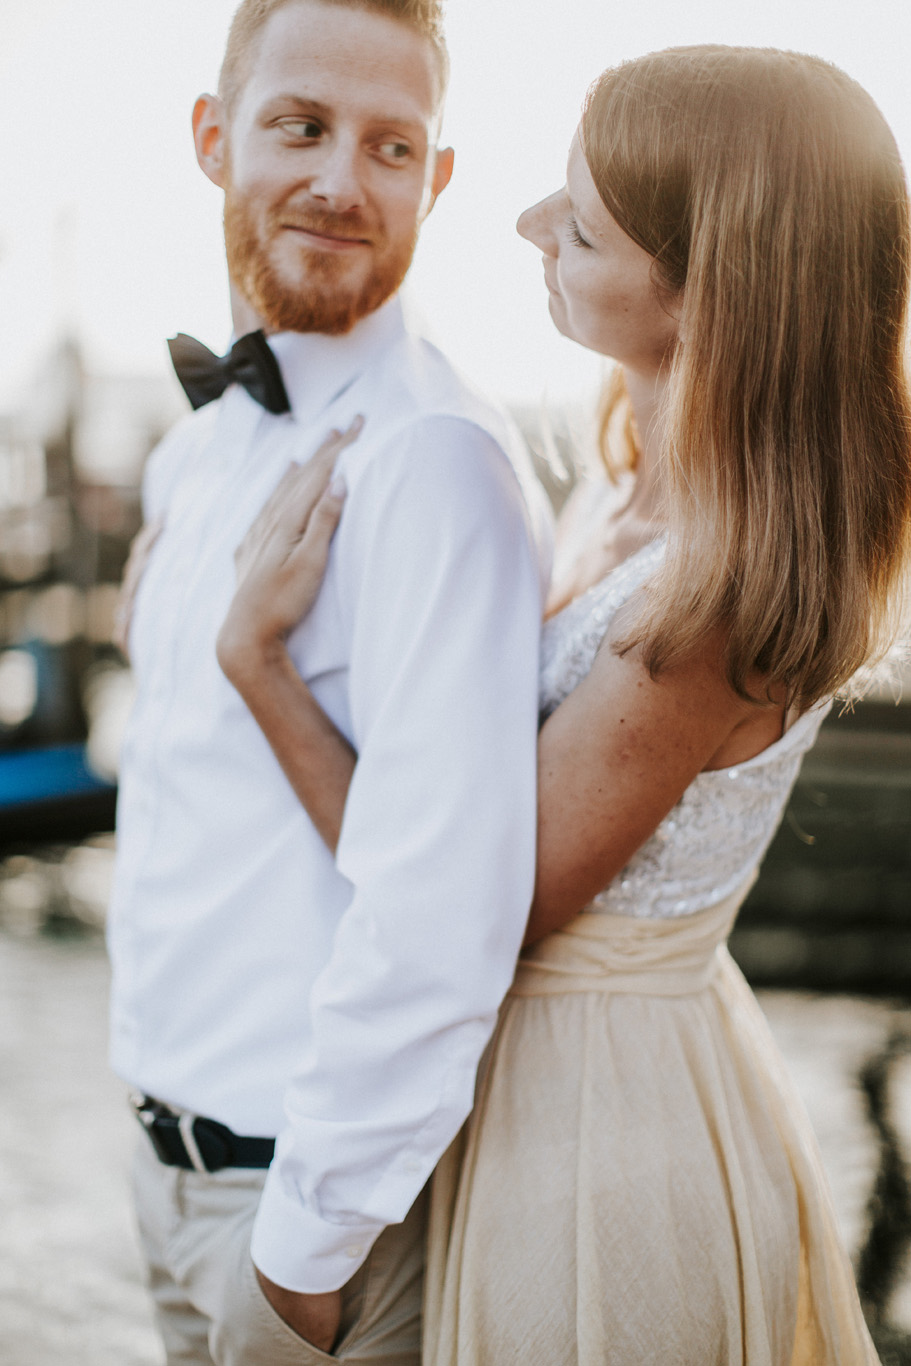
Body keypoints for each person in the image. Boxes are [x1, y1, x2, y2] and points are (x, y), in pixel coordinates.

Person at [217, 45, 911, 1364]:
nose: (532, 223)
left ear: (712, 297)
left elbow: (476, 901)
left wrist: (259, 667)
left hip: (593, 1134)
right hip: (545, 1075)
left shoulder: (709, 608)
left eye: (581, 225)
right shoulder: (629, 481)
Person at [108, 1, 551, 1363]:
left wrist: (302, 1261)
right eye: (301, 125)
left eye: (392, 145)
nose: (342, 182)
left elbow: (443, 903)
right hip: (163, 1174)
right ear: (211, 135)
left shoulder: (435, 464)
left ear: (441, 177)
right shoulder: (191, 457)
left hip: (307, 1224)